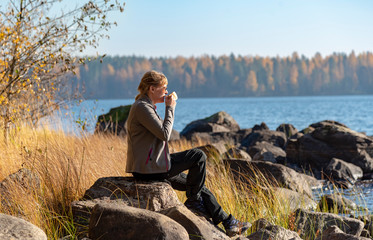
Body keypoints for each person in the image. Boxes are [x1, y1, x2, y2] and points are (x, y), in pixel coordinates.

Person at [126, 70, 251, 237]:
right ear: (152, 89)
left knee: (196, 185)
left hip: (154, 165)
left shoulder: (145, 106)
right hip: (149, 169)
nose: (166, 91)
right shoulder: (142, 107)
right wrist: (170, 108)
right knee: (198, 156)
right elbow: (164, 134)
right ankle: (193, 202)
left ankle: (228, 221)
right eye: (164, 88)